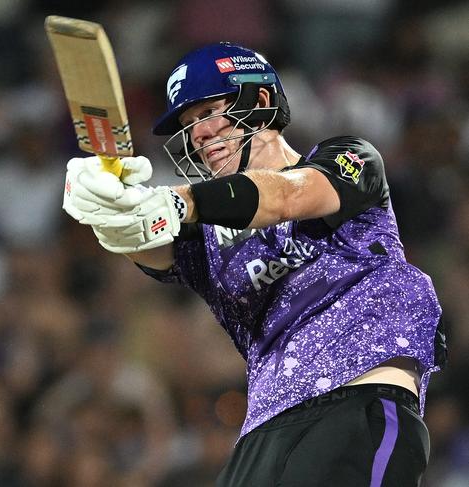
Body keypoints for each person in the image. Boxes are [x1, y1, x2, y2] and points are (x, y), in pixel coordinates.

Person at [62, 42, 446, 486]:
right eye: (188, 127)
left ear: (260, 102)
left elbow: (287, 196)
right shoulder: (204, 234)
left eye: (207, 113)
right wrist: (106, 209)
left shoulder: (349, 159)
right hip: (261, 435)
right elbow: (142, 241)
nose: (198, 137)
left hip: (358, 403)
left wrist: (173, 202)